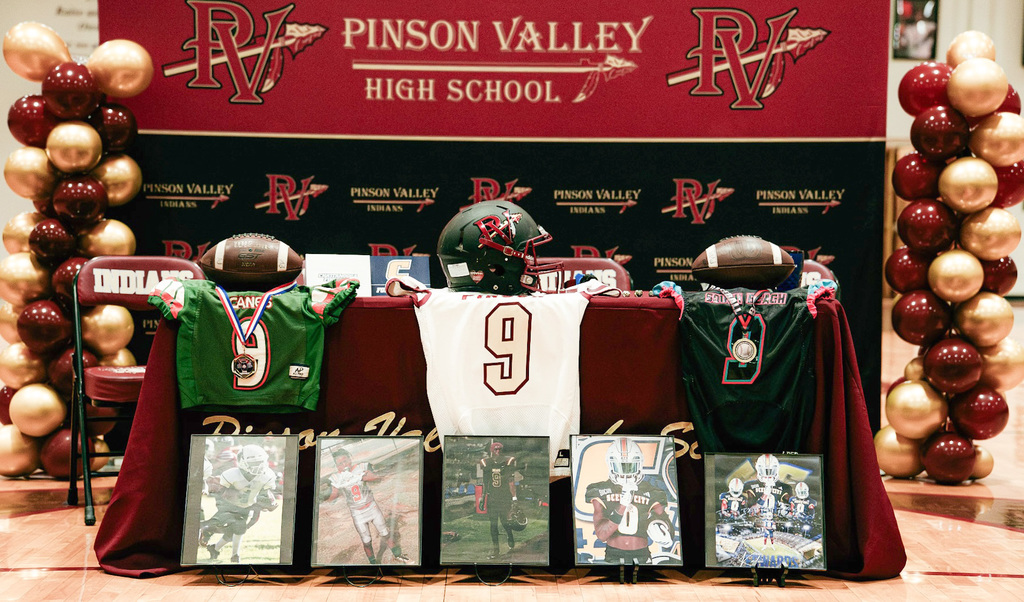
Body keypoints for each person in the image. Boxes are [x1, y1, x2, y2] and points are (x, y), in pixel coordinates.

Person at [584, 438, 671, 565]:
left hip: (642, 554)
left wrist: (664, 530)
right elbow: (602, 535)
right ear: (610, 464)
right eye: (620, 466)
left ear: (639, 463)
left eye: (630, 466)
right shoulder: (599, 490)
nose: (625, 473)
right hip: (614, 553)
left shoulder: (653, 491)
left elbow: (663, 519)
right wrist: (622, 505)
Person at [327, 448, 410, 564]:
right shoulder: (336, 477)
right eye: (340, 464)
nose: (344, 465)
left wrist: (360, 477)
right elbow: (333, 496)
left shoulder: (360, 468)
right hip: (357, 513)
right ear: (336, 466)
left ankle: (397, 555)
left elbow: (375, 477)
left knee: (385, 533)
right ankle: (373, 563)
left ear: (350, 459)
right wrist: (332, 493)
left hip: (371, 507)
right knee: (366, 540)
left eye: (345, 461)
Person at [199, 444, 278, 563]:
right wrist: (231, 498)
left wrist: (268, 501)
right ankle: (234, 556)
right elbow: (221, 492)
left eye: (261, 462)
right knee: (236, 527)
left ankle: (215, 548)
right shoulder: (231, 475)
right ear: (243, 462)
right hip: (231, 506)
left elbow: (265, 492)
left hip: (250, 505)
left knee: (238, 530)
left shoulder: (267, 475)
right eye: (255, 463)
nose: (259, 466)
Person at [479, 441, 519, 559]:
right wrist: (483, 497)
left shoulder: (507, 462)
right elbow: (485, 482)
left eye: (499, 449)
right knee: (493, 525)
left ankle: (510, 535)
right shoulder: (486, 463)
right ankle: (496, 551)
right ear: (492, 451)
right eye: (495, 450)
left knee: (505, 522)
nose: (497, 452)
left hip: (504, 498)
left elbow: (511, 482)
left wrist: (514, 497)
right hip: (492, 498)